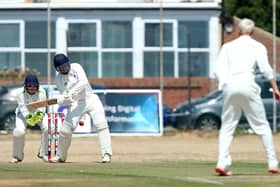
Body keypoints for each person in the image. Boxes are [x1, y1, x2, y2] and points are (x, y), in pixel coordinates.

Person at [214, 18, 280, 176]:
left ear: (238, 31)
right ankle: (272, 162)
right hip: (248, 85)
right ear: (254, 32)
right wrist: (276, 89)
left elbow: (217, 69)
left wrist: (223, 84)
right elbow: (266, 69)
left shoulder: (227, 46)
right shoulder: (257, 46)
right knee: (262, 126)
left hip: (230, 86)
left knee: (227, 127)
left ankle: (222, 162)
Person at [50, 53, 112, 163]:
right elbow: (67, 99)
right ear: (57, 69)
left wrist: (70, 92)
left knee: (101, 125)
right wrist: (62, 100)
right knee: (65, 131)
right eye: (62, 67)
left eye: (66, 65)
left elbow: (83, 82)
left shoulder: (76, 67)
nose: (66, 68)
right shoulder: (58, 79)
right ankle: (61, 156)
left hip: (90, 99)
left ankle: (106, 154)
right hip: (76, 104)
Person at [11, 74, 49, 163]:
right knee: (19, 132)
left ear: (37, 86)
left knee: (48, 127)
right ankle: (17, 156)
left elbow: (42, 108)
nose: (32, 88)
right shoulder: (20, 93)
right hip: (23, 114)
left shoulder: (42, 92)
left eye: (34, 85)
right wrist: (29, 118)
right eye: (29, 85)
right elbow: (23, 108)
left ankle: (43, 153)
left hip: (38, 113)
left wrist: (37, 117)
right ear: (25, 86)